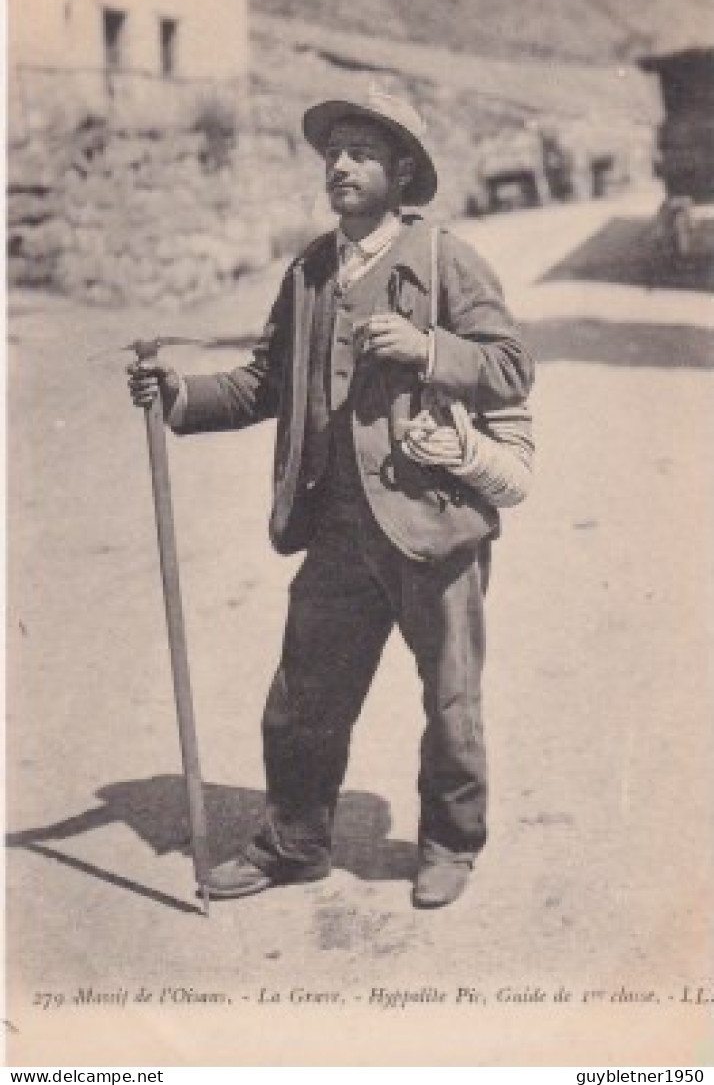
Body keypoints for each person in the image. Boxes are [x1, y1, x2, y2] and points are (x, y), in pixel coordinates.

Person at [129, 88, 535, 909]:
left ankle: (449, 845)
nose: (340, 166)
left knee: (450, 700)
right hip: (339, 530)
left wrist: (429, 348)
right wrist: (180, 395)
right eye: (332, 155)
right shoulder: (311, 270)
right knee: (302, 696)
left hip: (433, 524)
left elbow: (510, 368)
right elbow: (261, 381)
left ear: (403, 171)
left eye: (361, 153)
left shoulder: (444, 260)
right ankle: (294, 842)